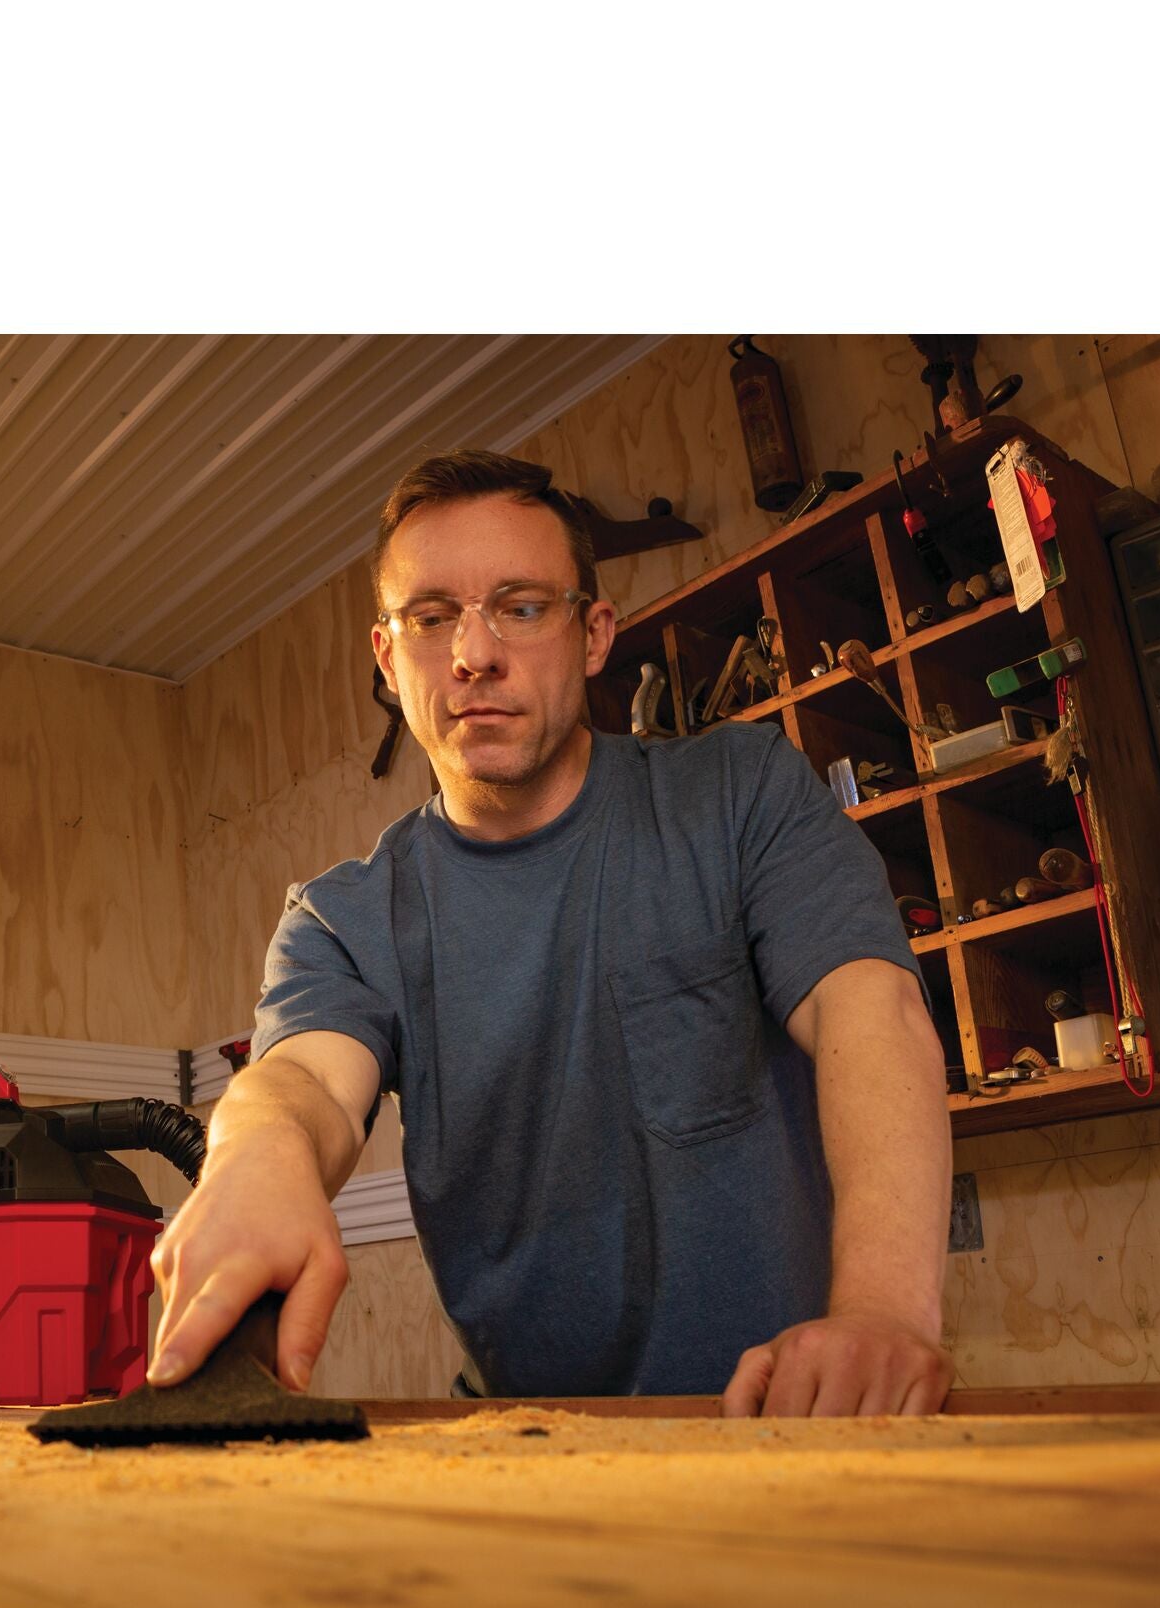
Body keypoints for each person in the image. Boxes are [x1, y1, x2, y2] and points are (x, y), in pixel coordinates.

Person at [147, 449, 952, 1418]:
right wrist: (253, 1152)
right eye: (431, 616)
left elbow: (871, 1011)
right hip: (531, 1448)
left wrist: (880, 1310)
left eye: (520, 606)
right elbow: (306, 1081)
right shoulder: (343, 918)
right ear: (385, 656)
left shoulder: (739, 795)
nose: (473, 652)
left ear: (592, 633)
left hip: (796, 1422)